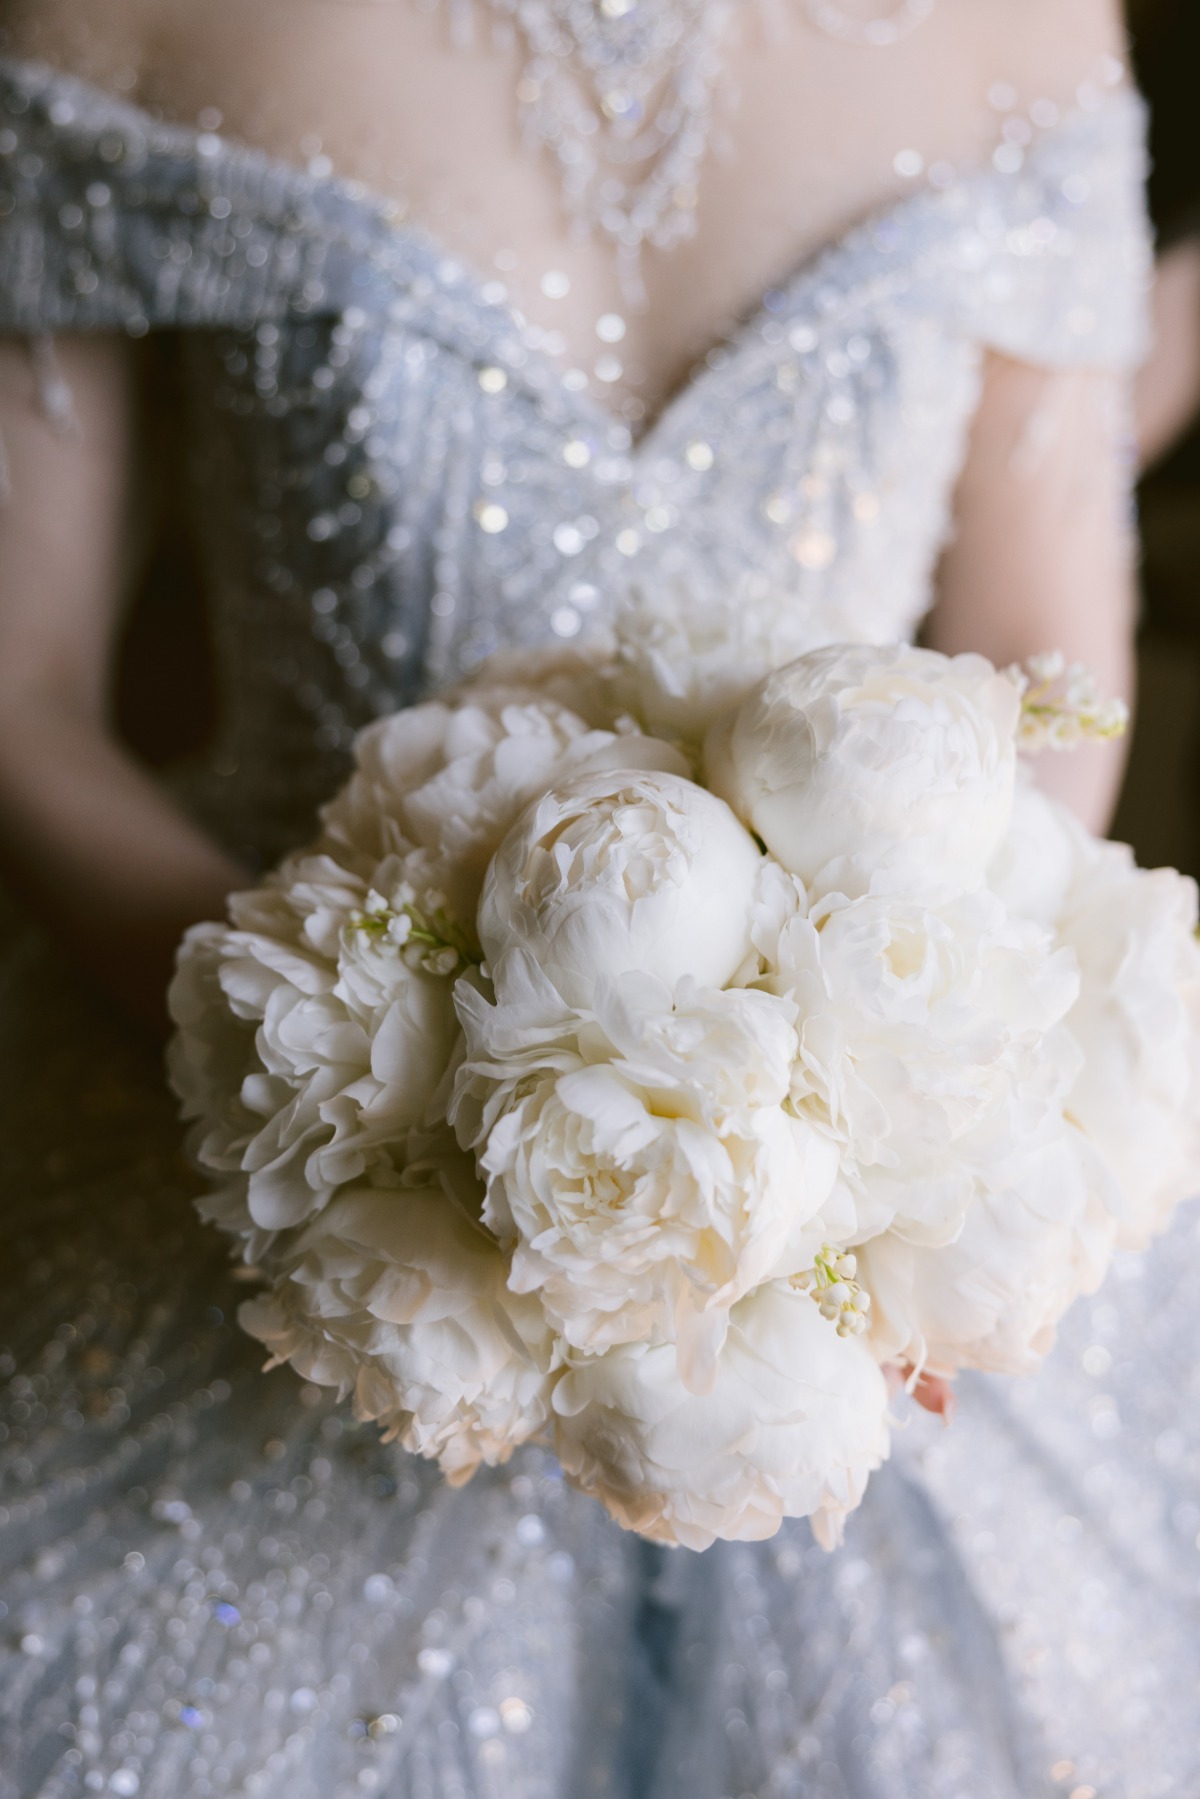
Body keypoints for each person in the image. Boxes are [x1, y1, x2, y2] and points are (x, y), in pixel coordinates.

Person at [0, 1, 1195, 1795]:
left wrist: (864, 1154)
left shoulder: (1020, 20)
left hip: (868, 1262)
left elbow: (1041, 673)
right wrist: (359, 1096)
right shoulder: (121, 15)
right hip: (259, 1160)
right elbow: (26, 694)